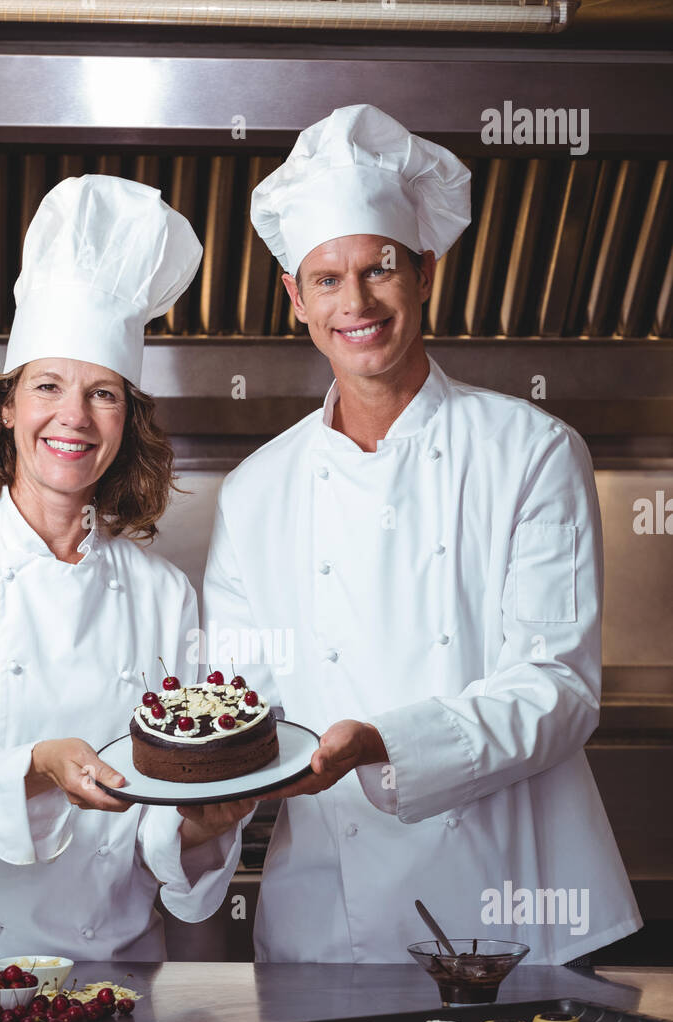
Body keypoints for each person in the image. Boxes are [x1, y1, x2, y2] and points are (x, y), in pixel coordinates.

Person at [202, 105, 642, 964]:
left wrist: (386, 744)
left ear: (426, 272)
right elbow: (241, 704)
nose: (356, 302)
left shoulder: (531, 450)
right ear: (295, 299)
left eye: (379, 269)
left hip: (513, 910)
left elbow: (558, 688)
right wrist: (208, 786)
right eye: (326, 279)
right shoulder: (256, 492)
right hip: (327, 924)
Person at [0, 175, 253, 961]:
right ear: (6, 406)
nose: (73, 418)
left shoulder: (162, 594)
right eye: (48, 387)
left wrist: (200, 824)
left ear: (127, 420)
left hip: (110, 982)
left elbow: (156, 821)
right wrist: (37, 767)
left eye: (102, 393)